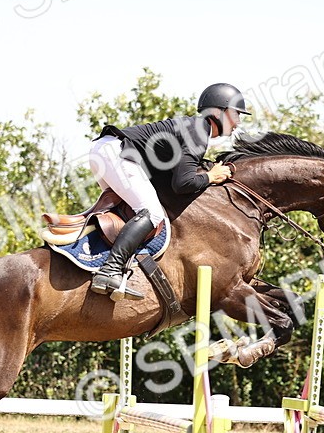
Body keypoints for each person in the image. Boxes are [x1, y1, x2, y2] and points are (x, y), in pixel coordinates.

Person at [87, 82, 250, 299]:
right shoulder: (199, 132)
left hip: (108, 152)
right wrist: (211, 176)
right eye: (236, 114)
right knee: (151, 213)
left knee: (131, 213)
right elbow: (182, 184)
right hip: (116, 154)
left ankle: (105, 265)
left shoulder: (195, 129)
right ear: (219, 112)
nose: (238, 122)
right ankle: (110, 270)